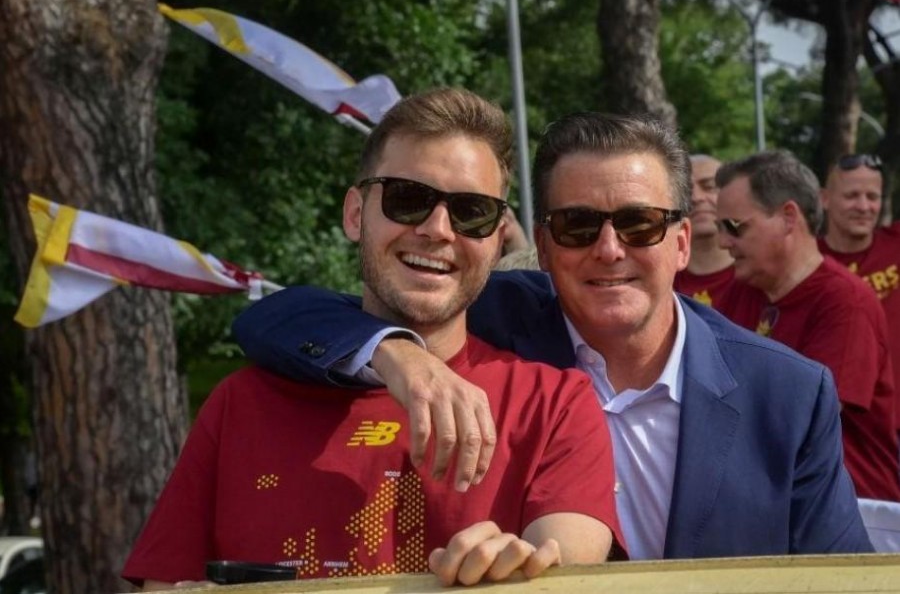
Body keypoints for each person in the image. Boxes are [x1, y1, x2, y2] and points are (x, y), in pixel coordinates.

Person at [233, 112, 873, 559]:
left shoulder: (786, 392)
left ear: (682, 240)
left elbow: (839, 576)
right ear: (541, 245)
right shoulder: (494, 318)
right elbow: (279, 318)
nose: (608, 249)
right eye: (576, 225)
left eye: (640, 224)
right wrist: (402, 354)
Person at [122, 89, 622, 590]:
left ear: (496, 239)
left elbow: (568, 561)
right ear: (356, 214)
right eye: (408, 199)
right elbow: (162, 584)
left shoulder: (556, 404)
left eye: (472, 212)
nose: (437, 229)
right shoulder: (239, 403)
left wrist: (521, 566)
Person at [714, 150, 900, 502]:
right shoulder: (741, 290)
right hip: (773, 501)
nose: (724, 241)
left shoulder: (845, 301)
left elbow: (807, 420)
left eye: (735, 226)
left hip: (850, 514)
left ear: (788, 217)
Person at [818, 153, 900, 440]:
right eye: (852, 195)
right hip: (839, 427)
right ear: (824, 199)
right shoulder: (808, 262)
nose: (864, 206)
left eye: (872, 196)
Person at [673, 154, 734, 306]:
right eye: (686, 191)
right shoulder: (662, 279)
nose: (696, 197)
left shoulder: (761, 277)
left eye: (709, 186)